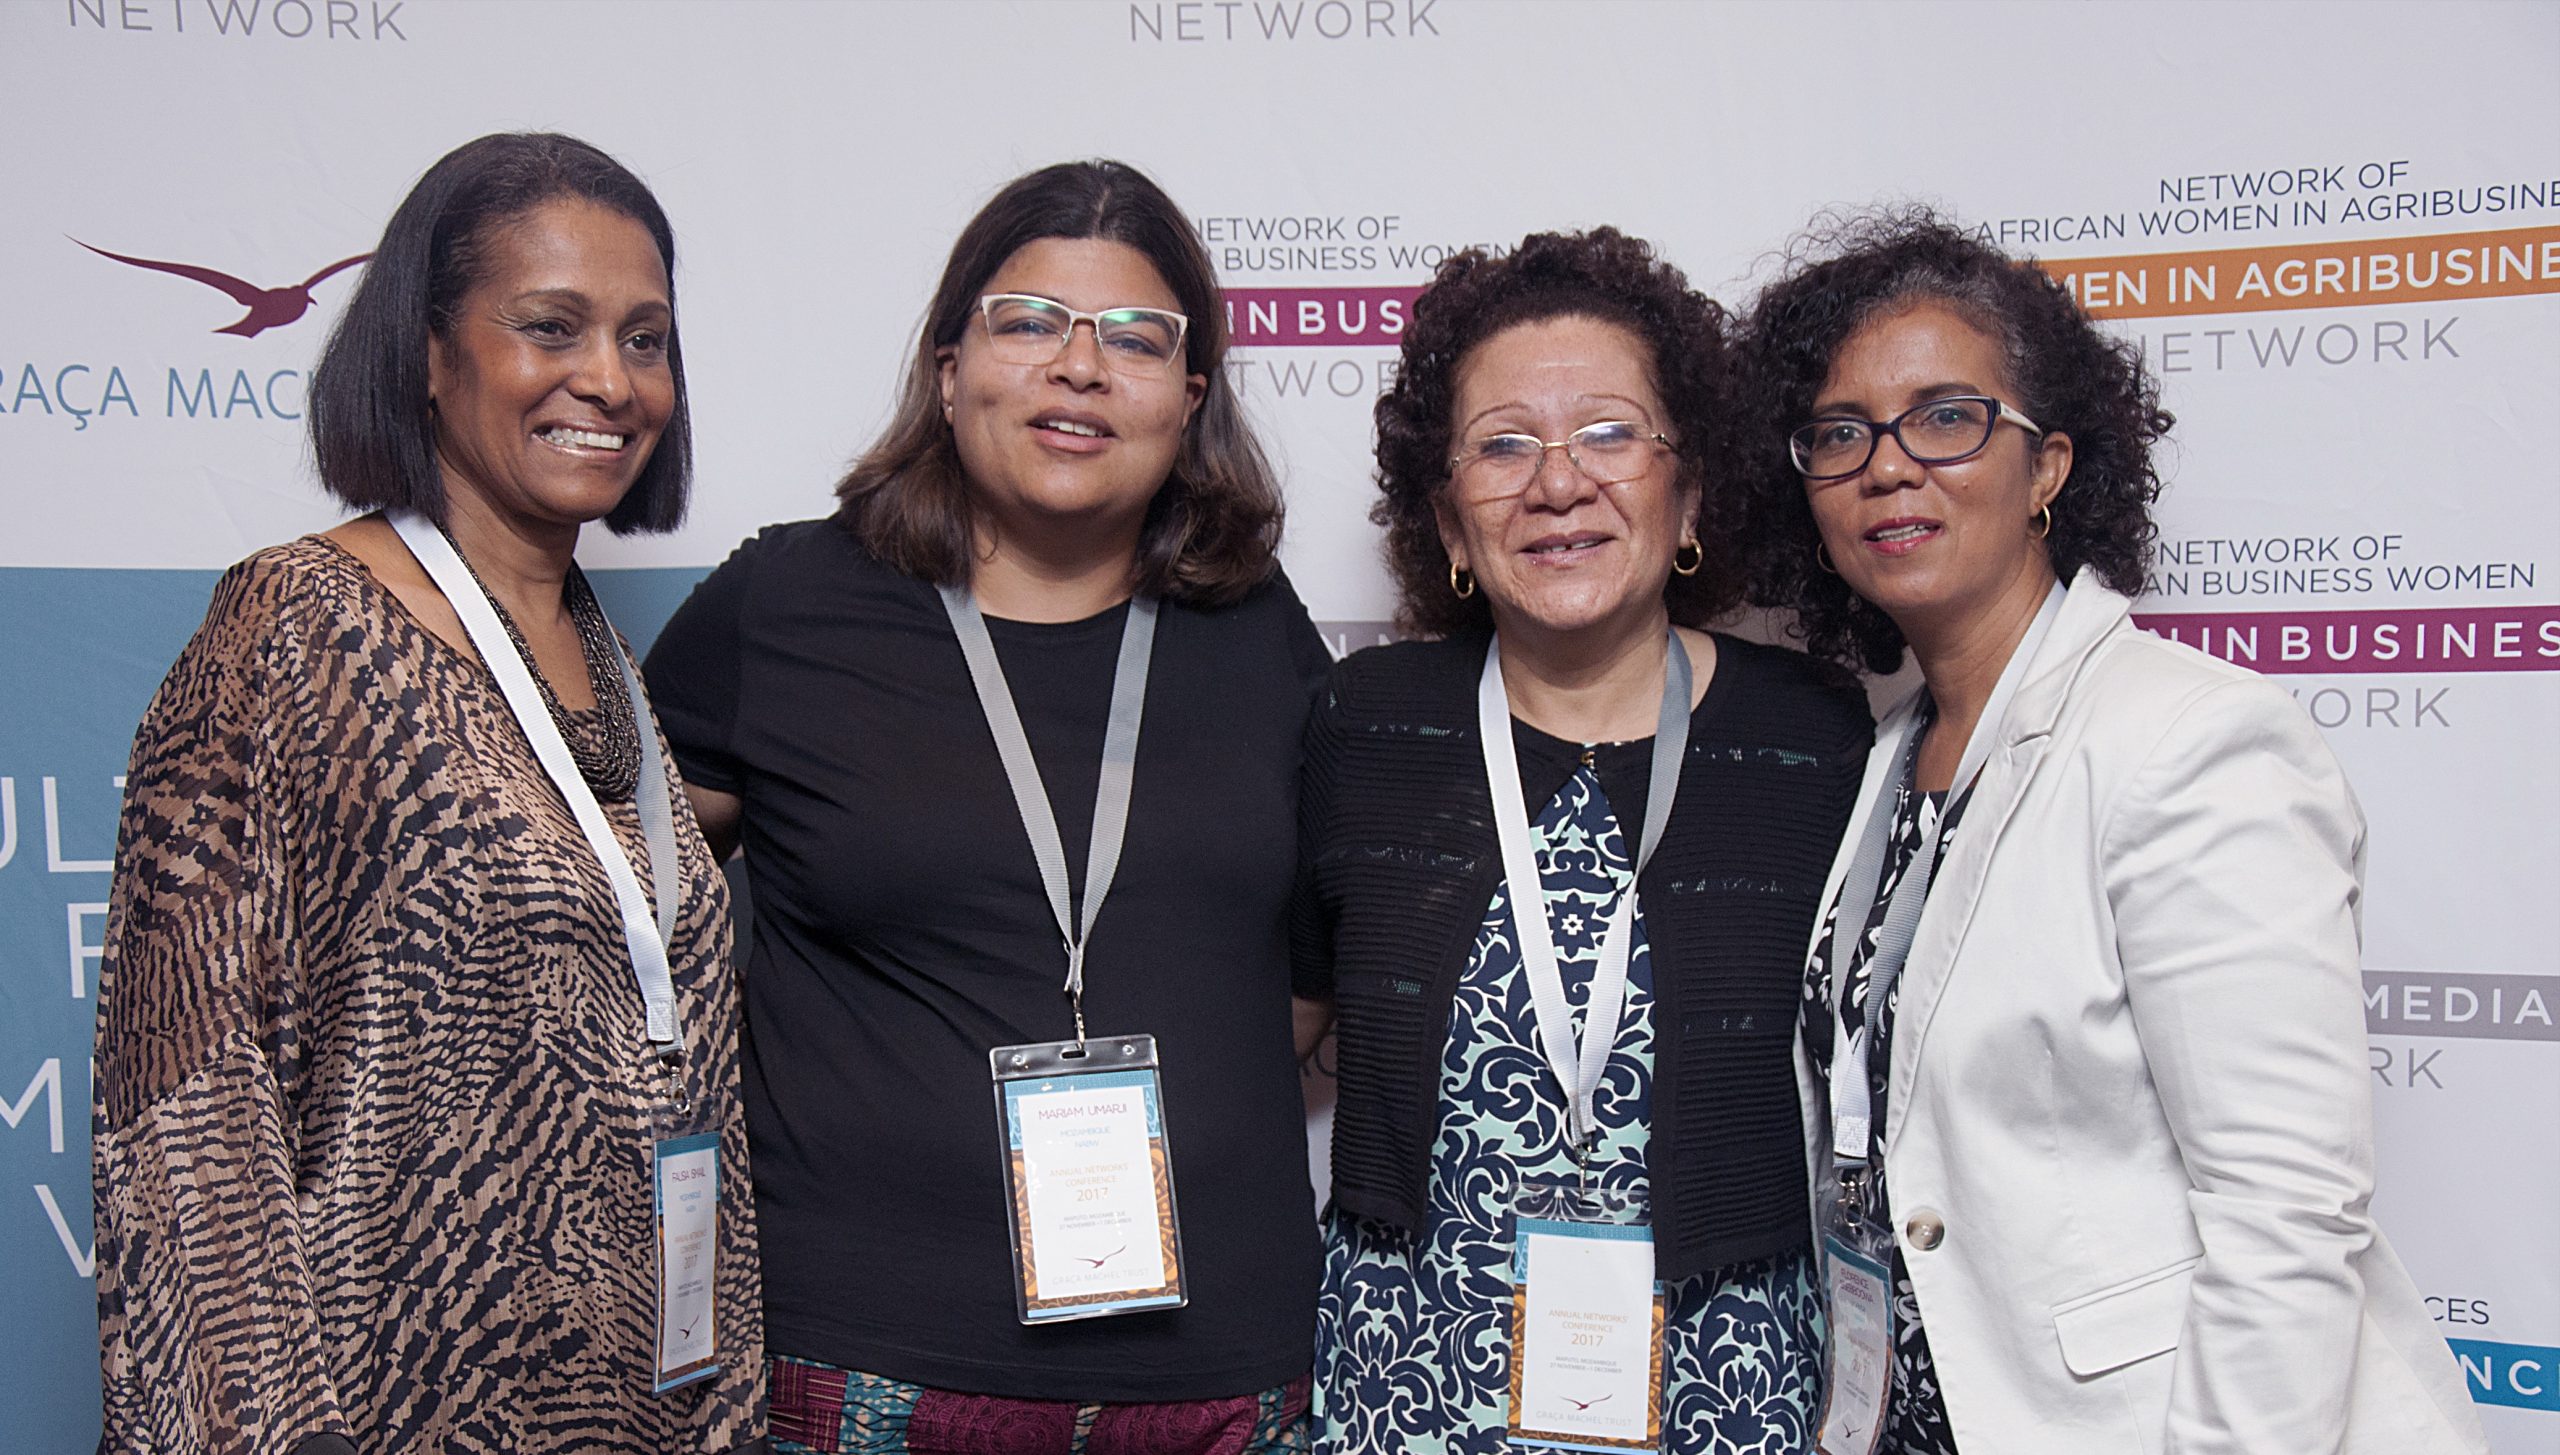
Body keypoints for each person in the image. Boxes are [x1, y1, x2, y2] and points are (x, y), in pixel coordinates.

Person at [1740, 210, 2489, 1454]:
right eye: (1839, 432)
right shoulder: (1891, 756)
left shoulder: (2191, 740)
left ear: (2046, 468)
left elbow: (2286, 1216)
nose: (1887, 466)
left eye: (1945, 417)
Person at [90, 132, 764, 1453]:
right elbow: (184, 1097)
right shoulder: (297, 624)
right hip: (386, 1404)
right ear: (428, 353)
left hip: (641, 1406)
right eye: (550, 327)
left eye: (644, 339)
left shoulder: (601, 657)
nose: (609, 379)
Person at [642, 160, 1326, 1454]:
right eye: (1030, 322)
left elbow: (1298, 979)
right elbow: (613, 926)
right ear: (950, 367)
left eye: (1136, 338)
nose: (1081, 367)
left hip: (1223, 1379)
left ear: (1189, 396)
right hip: (870, 1364)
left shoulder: (1259, 629)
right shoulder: (784, 607)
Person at [1293, 228, 1872, 1454]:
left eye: (1609, 434)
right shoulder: (1367, 726)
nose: (1557, 485)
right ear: (1450, 523)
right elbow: (1269, 1030)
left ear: (1689, 494)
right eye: (1504, 445)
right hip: (1412, 1387)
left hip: (1727, 1389)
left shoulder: (1811, 740)